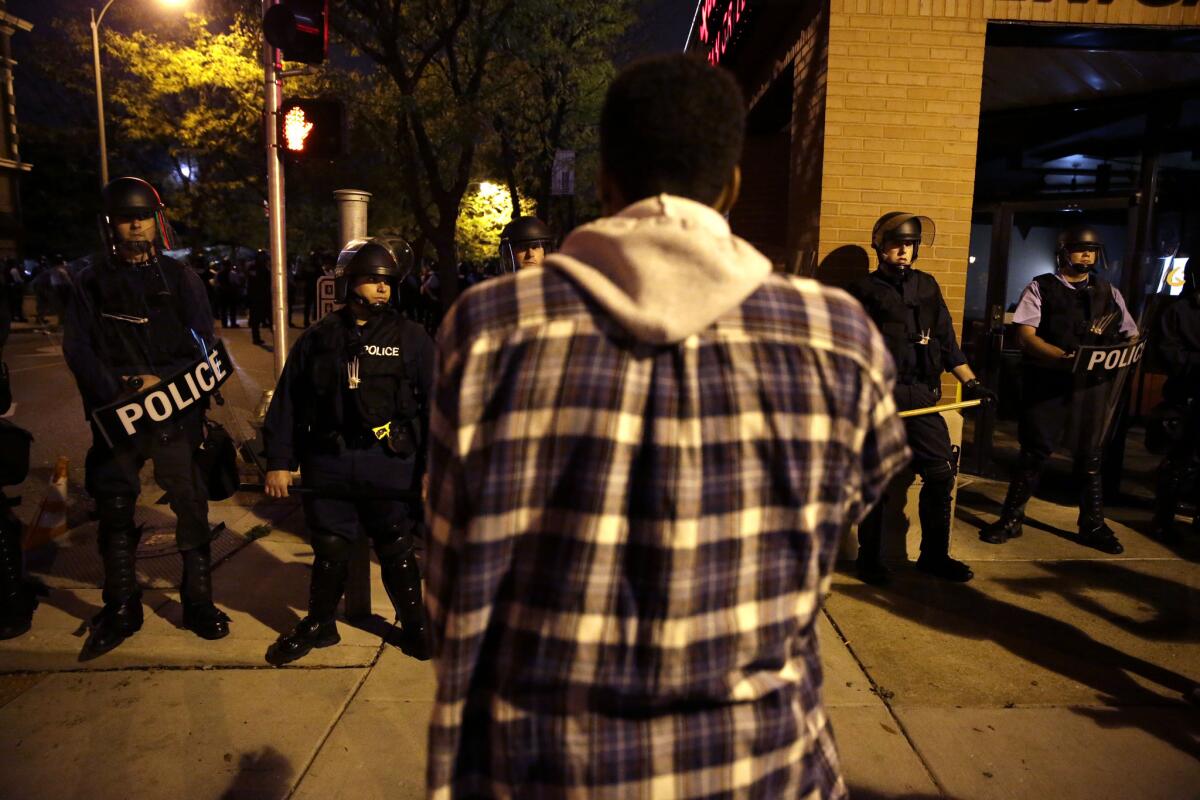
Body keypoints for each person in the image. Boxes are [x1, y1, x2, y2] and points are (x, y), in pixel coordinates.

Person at [424, 55, 908, 798]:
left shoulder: (489, 328)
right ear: (735, 186)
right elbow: (836, 528)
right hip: (761, 767)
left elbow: (455, 574)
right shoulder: (838, 338)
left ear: (604, 184)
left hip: (547, 767)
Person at [61, 176, 230, 655]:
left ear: (156, 222)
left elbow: (202, 343)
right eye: (126, 218)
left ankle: (198, 603)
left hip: (174, 410)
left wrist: (165, 382)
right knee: (114, 508)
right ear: (111, 224)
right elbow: (78, 348)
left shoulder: (182, 279)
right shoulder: (88, 281)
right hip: (118, 416)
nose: (135, 226)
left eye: (143, 217)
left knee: (190, 503)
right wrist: (117, 388)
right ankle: (121, 607)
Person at [262, 237, 434, 665]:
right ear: (350, 283)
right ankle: (321, 624)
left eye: (387, 283)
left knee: (395, 546)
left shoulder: (412, 338)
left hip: (389, 462)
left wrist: (434, 469)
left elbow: (438, 407)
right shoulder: (318, 338)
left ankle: (415, 625)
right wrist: (279, 463)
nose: (381, 289)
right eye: (372, 280)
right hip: (329, 460)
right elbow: (288, 401)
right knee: (330, 546)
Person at [847, 212, 993, 585]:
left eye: (910, 244)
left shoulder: (928, 286)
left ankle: (934, 555)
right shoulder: (863, 290)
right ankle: (869, 559)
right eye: (897, 243)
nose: (904, 250)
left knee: (942, 472)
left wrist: (972, 383)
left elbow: (947, 343)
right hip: (881, 399)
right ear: (879, 245)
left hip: (923, 396)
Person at [980, 225, 1137, 553]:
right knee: (1034, 452)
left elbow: (1129, 333)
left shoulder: (1108, 292)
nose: (1087, 255)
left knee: (1090, 456)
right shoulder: (1042, 287)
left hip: (1092, 386)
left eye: (1091, 251)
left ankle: (1093, 524)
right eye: (1080, 249)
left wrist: (1122, 351)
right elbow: (1026, 335)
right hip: (1049, 381)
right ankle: (1011, 518)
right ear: (1064, 252)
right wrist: (1063, 359)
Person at [1150, 255, 1199, 543]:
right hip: (1186, 395)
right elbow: (1168, 354)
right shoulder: (1178, 310)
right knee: (1178, 460)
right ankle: (1163, 518)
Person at [246, 250, 272, 346]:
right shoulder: (254, 268)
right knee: (256, 320)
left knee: (271, 318)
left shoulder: (265, 267)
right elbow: (253, 282)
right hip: (256, 296)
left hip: (264, 296)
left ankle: (276, 336)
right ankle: (256, 338)